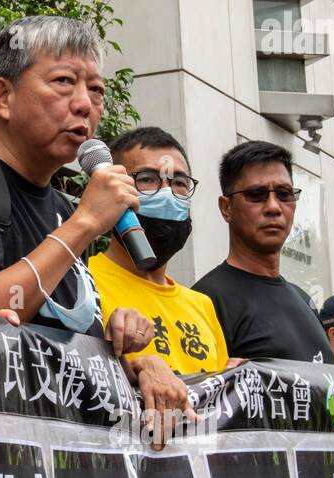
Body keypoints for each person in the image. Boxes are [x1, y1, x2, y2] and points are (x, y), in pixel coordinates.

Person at [0, 15, 192, 443]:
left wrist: (127, 351)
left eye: (96, 90)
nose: (84, 105)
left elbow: (66, 343)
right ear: (4, 96)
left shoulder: (60, 207)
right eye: (63, 82)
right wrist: (86, 223)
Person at [87, 127, 236, 376]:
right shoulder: (82, 282)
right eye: (147, 179)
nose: (167, 194)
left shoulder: (202, 306)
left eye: (179, 183)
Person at [193, 141, 334, 363]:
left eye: (284, 194)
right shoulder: (205, 301)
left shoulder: (304, 300)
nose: (273, 207)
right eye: (256, 194)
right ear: (226, 208)